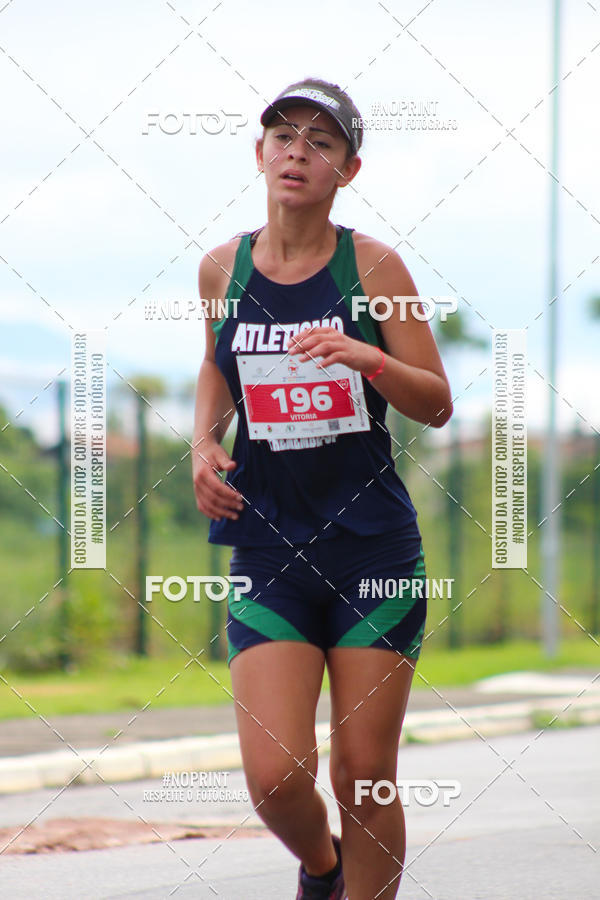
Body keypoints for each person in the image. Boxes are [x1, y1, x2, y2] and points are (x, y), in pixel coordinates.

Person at [192, 77, 453, 900]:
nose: (296, 153)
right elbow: (215, 364)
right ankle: (324, 870)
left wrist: (367, 356)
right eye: (282, 137)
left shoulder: (374, 266)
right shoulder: (220, 268)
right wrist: (203, 441)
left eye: (320, 142)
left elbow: (438, 402)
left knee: (365, 772)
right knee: (274, 777)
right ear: (259, 153)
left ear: (350, 168)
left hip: (370, 547)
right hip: (269, 544)